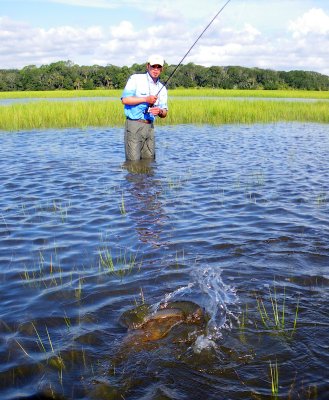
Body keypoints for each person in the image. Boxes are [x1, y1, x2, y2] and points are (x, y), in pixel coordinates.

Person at [121, 55, 168, 161]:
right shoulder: (136, 79)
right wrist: (145, 99)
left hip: (150, 127)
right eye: (153, 66)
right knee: (133, 162)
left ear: (162, 69)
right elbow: (125, 100)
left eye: (158, 67)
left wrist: (160, 111)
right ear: (148, 66)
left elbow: (165, 112)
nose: (155, 70)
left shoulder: (162, 88)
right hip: (134, 124)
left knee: (150, 161)